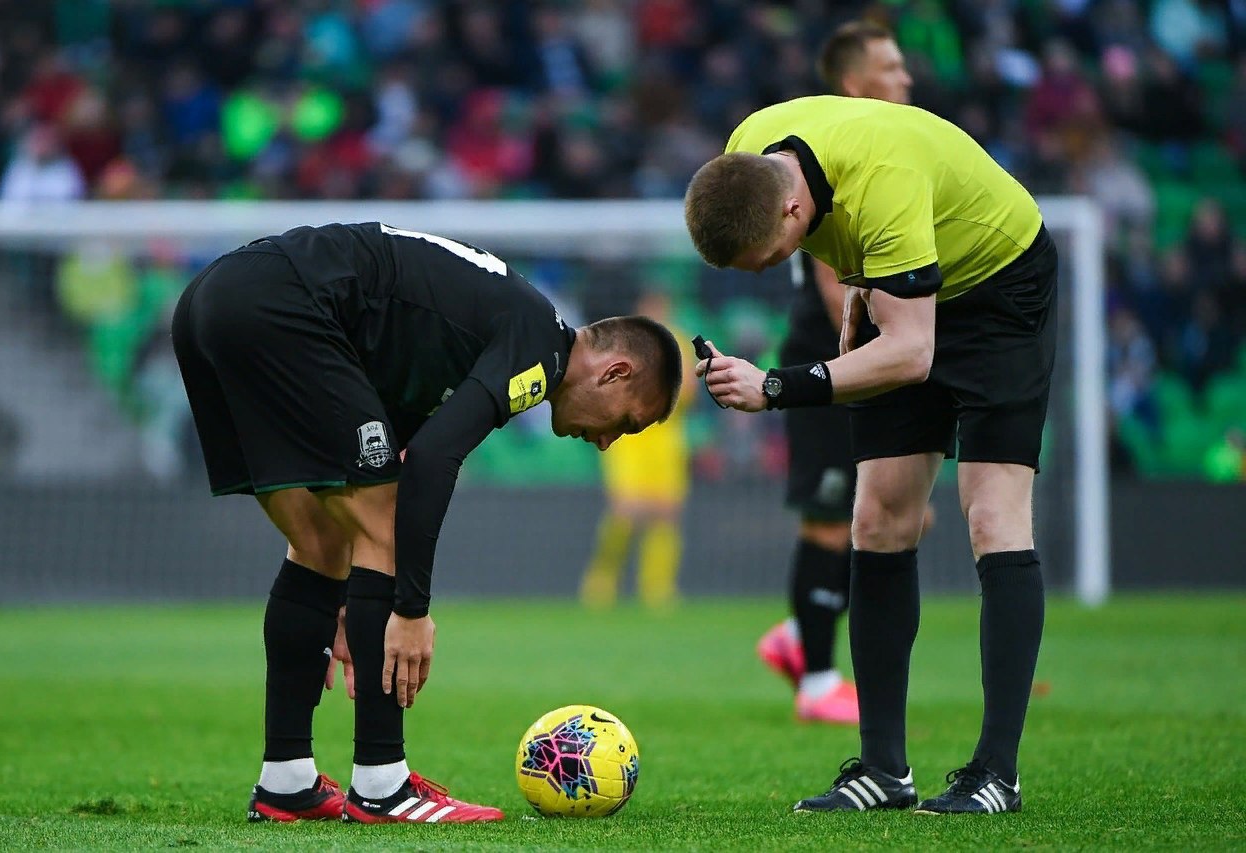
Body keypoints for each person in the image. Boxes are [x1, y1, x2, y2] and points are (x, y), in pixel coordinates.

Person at [171, 223, 682, 825]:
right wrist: (409, 612)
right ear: (615, 372)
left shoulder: (465, 338)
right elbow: (435, 463)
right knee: (378, 520)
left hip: (210, 303)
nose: (605, 442)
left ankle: (285, 782)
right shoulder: (539, 348)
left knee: (318, 544)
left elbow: (405, 453)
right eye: (623, 423)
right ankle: (383, 786)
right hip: (286, 303)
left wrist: (351, 600)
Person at [685, 95, 1055, 815]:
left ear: (790, 213)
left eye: (771, 259)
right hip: (910, 279)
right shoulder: (748, 154)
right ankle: (886, 768)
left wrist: (774, 386)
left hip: (1001, 287)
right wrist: (864, 279)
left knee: (992, 515)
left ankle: (997, 774)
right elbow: (854, 241)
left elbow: (912, 353)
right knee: (878, 518)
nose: (766, 273)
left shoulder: (880, 182)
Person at [755, 21, 923, 727]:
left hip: (866, 363)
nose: (906, 77)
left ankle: (799, 636)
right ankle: (818, 679)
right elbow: (838, 292)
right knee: (833, 521)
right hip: (832, 358)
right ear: (857, 85)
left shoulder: (883, 154)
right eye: (891, 66)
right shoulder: (835, 158)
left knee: (881, 518)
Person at [580, 290, 693, 610]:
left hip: (665, 436)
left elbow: (689, 393)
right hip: (629, 436)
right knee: (626, 510)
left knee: (666, 512)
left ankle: (658, 588)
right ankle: (601, 581)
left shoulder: (680, 344)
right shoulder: (625, 343)